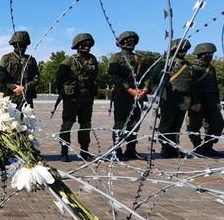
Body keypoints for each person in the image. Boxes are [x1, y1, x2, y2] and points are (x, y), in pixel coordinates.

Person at [54, 33, 98, 162]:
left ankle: (84, 151)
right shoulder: (69, 60)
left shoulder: (93, 59)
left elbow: (95, 76)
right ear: (78, 45)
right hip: (72, 99)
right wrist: (64, 91)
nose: (87, 47)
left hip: (87, 98)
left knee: (86, 125)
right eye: (84, 45)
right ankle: (64, 151)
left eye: (89, 45)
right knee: (67, 125)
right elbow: (58, 79)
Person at [108, 31, 149, 160]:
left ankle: (131, 150)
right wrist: (130, 90)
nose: (130, 42)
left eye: (132, 40)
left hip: (138, 95)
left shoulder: (140, 58)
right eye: (127, 40)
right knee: (120, 123)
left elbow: (147, 76)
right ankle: (117, 149)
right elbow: (114, 77)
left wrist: (145, 89)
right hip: (122, 95)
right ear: (121, 42)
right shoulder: (116, 58)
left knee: (135, 123)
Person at [156, 39, 194, 158]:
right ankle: (165, 147)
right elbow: (155, 78)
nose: (183, 52)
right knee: (167, 124)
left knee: (177, 125)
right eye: (180, 49)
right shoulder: (165, 62)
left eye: (185, 50)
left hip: (184, 98)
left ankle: (174, 147)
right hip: (169, 97)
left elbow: (192, 84)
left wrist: (194, 100)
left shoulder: (188, 65)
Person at [187, 42, 224, 157]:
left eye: (212, 53)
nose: (211, 55)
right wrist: (194, 102)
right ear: (201, 54)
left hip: (211, 100)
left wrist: (217, 101)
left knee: (218, 123)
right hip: (197, 100)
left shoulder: (211, 68)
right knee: (194, 125)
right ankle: (197, 147)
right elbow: (190, 86)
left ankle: (207, 146)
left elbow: (215, 85)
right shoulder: (192, 67)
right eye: (209, 53)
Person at [0, 31, 39, 109]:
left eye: (24, 45)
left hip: (26, 97)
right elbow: (2, 76)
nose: (22, 48)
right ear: (14, 45)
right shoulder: (6, 58)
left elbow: (36, 78)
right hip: (9, 97)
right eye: (19, 45)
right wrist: (14, 87)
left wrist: (24, 88)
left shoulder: (31, 60)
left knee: (27, 120)